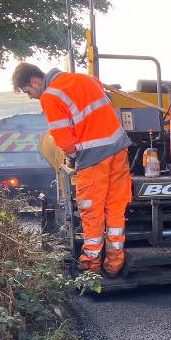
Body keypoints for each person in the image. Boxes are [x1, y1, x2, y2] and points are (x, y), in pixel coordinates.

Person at [12, 63, 131, 277]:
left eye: (28, 92)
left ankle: (91, 268)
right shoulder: (86, 79)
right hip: (119, 149)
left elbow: (63, 138)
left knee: (91, 211)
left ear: (35, 82)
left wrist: (73, 159)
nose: (31, 97)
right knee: (115, 208)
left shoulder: (50, 96)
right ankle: (114, 265)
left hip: (94, 158)